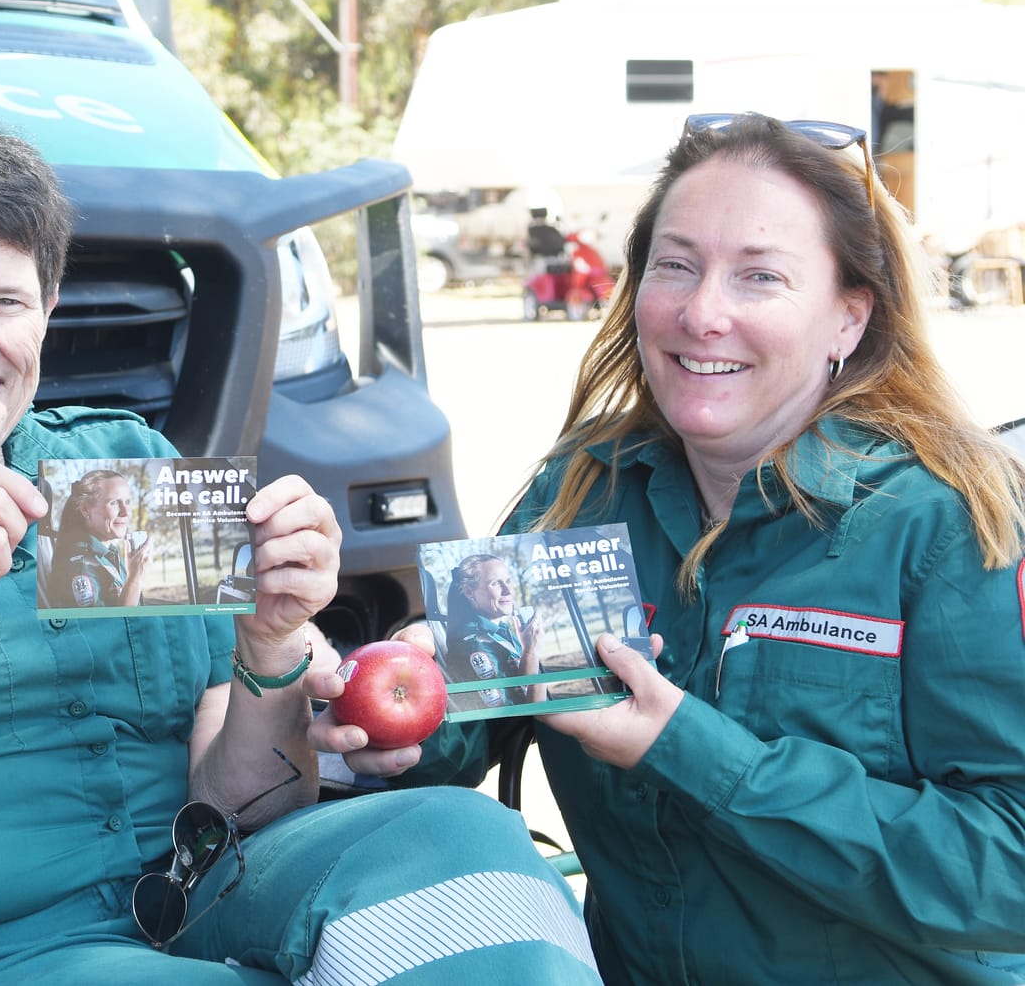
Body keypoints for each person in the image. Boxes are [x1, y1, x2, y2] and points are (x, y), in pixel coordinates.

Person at [0, 120, 601, 984]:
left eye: (7, 302)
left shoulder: (120, 464)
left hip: (200, 896)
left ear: (47, 311)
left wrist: (270, 645)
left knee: (469, 839)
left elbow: (246, 805)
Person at [316, 112, 1025, 984]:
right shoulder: (583, 486)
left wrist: (693, 748)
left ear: (849, 317)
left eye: (760, 276)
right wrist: (400, 712)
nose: (702, 313)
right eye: (677, 266)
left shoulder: (952, 520)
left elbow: (1011, 871)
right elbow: (476, 717)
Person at [441, 551, 544, 707]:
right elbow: (529, 711)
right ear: (469, 592)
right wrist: (532, 651)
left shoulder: (501, 630)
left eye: (508, 581)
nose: (508, 590)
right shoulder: (476, 644)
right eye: (495, 583)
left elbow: (519, 683)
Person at [43, 466, 149, 607]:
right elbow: (107, 621)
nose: (126, 512)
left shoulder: (111, 554)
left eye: (127, 502)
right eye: (114, 503)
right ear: (85, 510)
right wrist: (135, 578)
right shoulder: (81, 565)